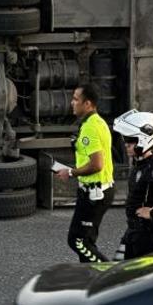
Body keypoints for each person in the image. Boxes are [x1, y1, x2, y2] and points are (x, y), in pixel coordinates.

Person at [55, 83, 115, 263]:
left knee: (78, 241)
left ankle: (107, 274)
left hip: (95, 194)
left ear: (87, 104)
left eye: (75, 99)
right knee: (85, 240)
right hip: (94, 192)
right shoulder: (98, 122)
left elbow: (97, 164)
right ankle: (91, 279)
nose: (72, 103)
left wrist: (71, 172)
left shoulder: (90, 127)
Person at [113, 110, 153, 259]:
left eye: (131, 141)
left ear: (144, 140)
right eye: (125, 140)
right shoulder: (140, 163)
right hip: (136, 229)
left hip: (150, 234)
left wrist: (151, 212)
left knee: (137, 276)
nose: (126, 145)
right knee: (119, 266)